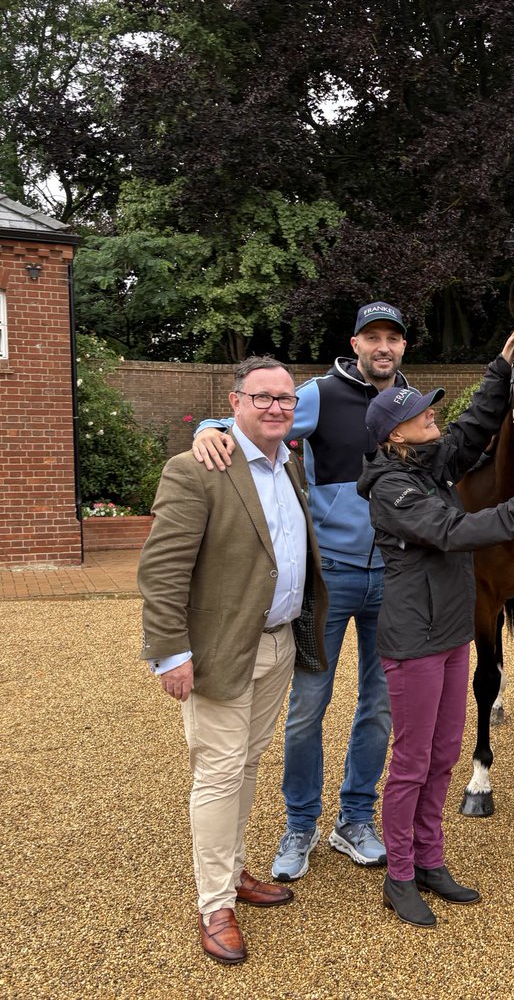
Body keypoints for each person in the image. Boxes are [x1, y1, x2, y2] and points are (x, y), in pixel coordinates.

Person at [358, 328, 514, 928]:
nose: (435, 415)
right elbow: (453, 532)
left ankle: (430, 860)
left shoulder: (430, 462)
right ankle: (400, 875)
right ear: (395, 435)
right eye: (422, 413)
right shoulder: (393, 488)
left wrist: (501, 366)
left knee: (445, 755)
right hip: (414, 639)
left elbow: (474, 426)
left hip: (451, 634)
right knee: (411, 762)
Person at [193, 302, 408, 881]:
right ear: (355, 344)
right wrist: (207, 429)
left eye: (392, 338)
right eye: (372, 337)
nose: (383, 347)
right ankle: (300, 823)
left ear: (402, 346)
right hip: (330, 578)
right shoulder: (318, 394)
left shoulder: (410, 403)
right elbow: (256, 420)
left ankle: (355, 820)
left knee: (379, 707)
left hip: (392, 578)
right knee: (308, 706)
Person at [139, 356, 329, 965]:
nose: (276, 407)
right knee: (219, 772)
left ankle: (234, 869)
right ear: (235, 402)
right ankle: (215, 903)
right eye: (262, 397)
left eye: (285, 398)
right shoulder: (197, 468)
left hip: (278, 642)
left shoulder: (290, 464)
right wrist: (170, 653)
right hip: (220, 650)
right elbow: (162, 570)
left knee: (246, 763)